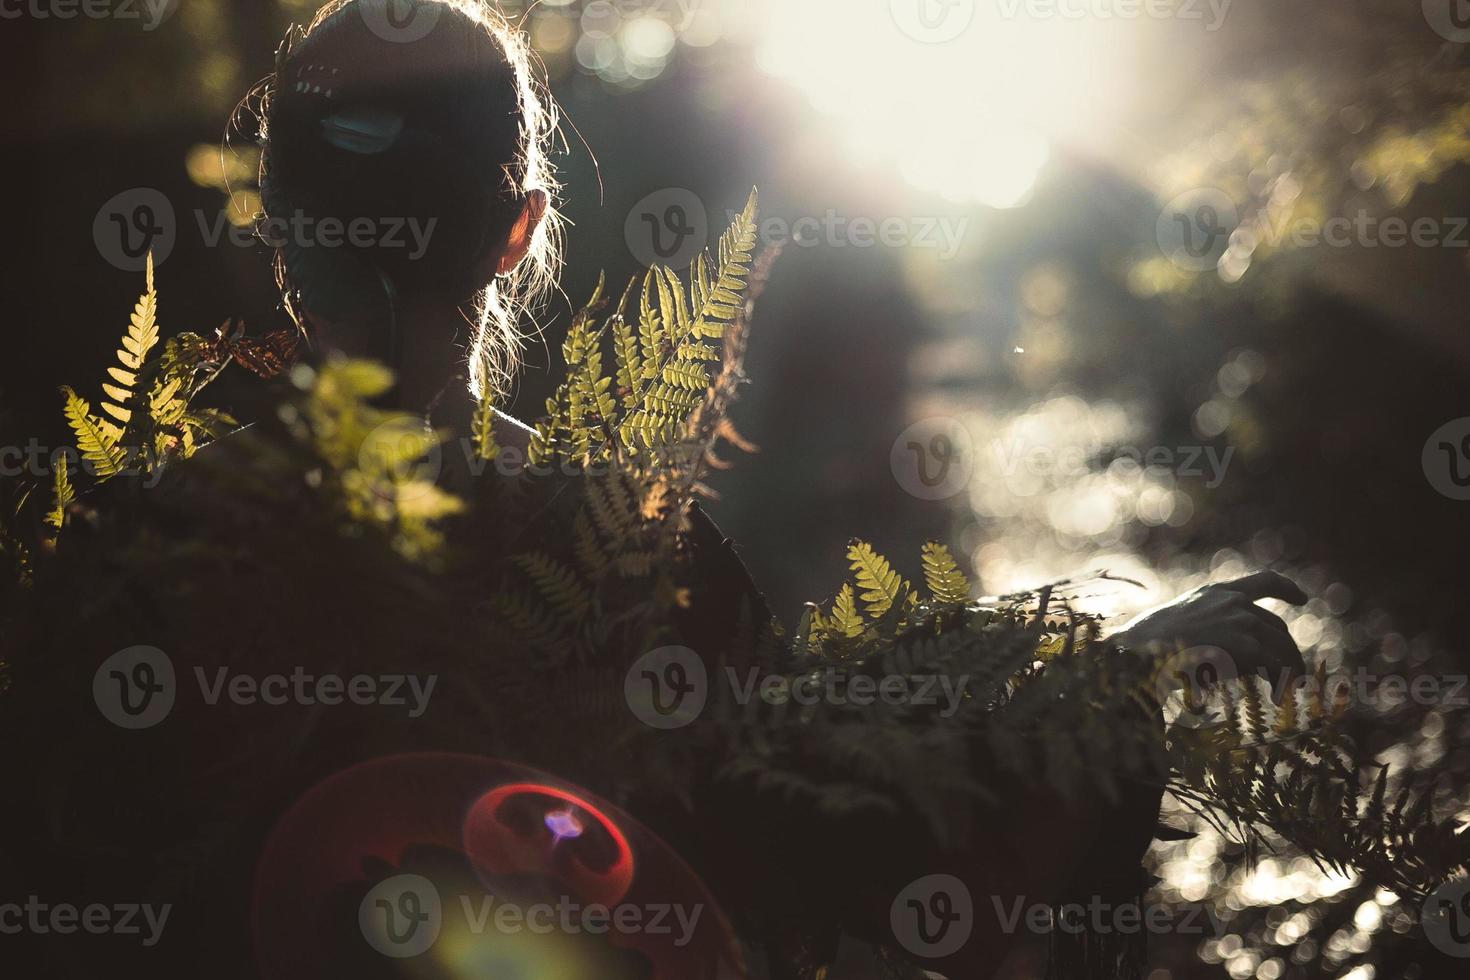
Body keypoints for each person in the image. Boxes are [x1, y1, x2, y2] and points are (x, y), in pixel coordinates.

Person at [249, 2, 1315, 976]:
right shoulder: (621, 546)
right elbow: (841, 832)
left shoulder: (141, 541)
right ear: (519, 230)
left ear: (281, 223)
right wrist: (1108, 676)